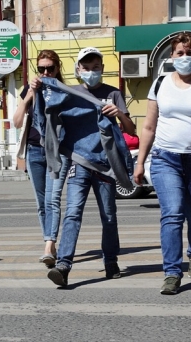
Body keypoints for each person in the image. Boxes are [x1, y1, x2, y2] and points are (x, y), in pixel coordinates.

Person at [133, 32, 191, 295]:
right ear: (171, 56)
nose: (185, 57)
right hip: (166, 159)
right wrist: (140, 162)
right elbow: (149, 126)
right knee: (172, 214)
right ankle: (172, 272)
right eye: (180, 53)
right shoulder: (160, 83)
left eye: (190, 53)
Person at [46, 46, 136, 287]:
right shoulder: (69, 93)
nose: (91, 71)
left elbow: (130, 130)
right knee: (73, 212)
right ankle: (63, 265)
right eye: (86, 67)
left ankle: (110, 261)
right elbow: (48, 112)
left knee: (108, 215)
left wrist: (119, 113)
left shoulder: (114, 93)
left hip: (105, 165)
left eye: (96, 67)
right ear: (78, 69)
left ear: (102, 69)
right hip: (78, 162)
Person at [12, 49, 69, 267]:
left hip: (58, 151)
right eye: (41, 68)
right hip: (35, 150)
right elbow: (17, 122)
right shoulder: (29, 89)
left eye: (50, 68)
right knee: (41, 202)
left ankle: (48, 244)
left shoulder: (65, 91)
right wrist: (29, 96)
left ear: (57, 68)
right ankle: (51, 243)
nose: (45, 72)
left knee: (53, 199)